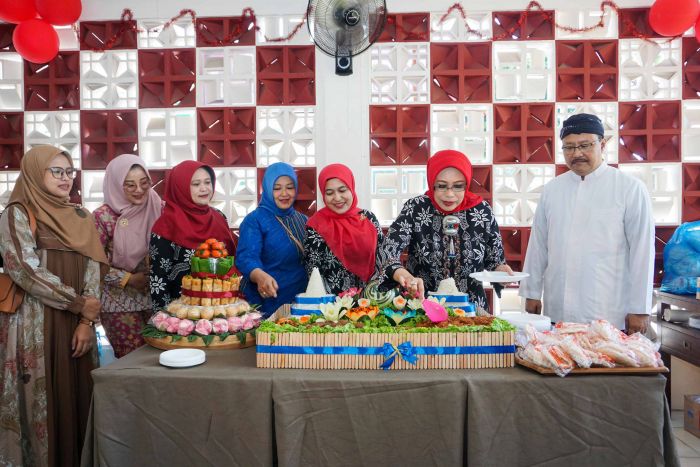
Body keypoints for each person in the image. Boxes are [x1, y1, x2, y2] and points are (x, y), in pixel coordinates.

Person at [0, 145, 107, 466]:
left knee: (77, 396)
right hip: (35, 323)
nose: (65, 178)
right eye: (56, 171)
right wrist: (78, 305)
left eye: (69, 171)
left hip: (78, 327)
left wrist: (87, 322)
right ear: (35, 172)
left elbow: (93, 267)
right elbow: (24, 269)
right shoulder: (17, 213)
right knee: (38, 404)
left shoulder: (79, 216)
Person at [519, 113, 655, 333]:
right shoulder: (553, 190)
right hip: (558, 310)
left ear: (602, 144)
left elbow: (643, 252)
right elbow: (538, 246)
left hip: (609, 312)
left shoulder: (629, 188)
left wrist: (640, 309)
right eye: (569, 147)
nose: (577, 153)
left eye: (585, 145)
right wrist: (531, 292)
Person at [379, 149, 513, 312]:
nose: (449, 194)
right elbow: (387, 250)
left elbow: (494, 260)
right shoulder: (416, 209)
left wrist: (501, 271)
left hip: (471, 312)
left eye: (458, 186)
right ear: (432, 183)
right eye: (442, 186)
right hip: (422, 309)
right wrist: (404, 275)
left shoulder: (481, 211)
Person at [93, 154, 162, 357]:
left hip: (156, 299)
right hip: (118, 304)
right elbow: (93, 262)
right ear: (115, 184)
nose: (139, 190)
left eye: (144, 183)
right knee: (132, 362)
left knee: (161, 361)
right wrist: (128, 279)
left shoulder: (158, 207)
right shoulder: (102, 217)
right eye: (129, 185)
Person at [149, 161, 235, 311]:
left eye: (207, 182)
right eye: (196, 184)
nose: (204, 188)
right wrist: (165, 322)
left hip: (222, 310)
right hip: (182, 317)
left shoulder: (219, 217)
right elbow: (159, 281)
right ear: (180, 188)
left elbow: (231, 264)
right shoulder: (166, 225)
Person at [236, 163, 308, 317]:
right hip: (265, 303)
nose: (284, 193)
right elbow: (246, 257)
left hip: (299, 304)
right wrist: (260, 276)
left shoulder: (303, 220)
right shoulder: (254, 220)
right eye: (277, 188)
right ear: (267, 189)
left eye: (290, 187)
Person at [304, 164, 383, 295]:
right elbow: (314, 275)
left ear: (351, 189)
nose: (337, 198)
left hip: (370, 303)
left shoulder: (368, 218)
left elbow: (382, 259)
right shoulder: (315, 226)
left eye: (342, 190)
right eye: (329, 193)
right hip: (332, 307)